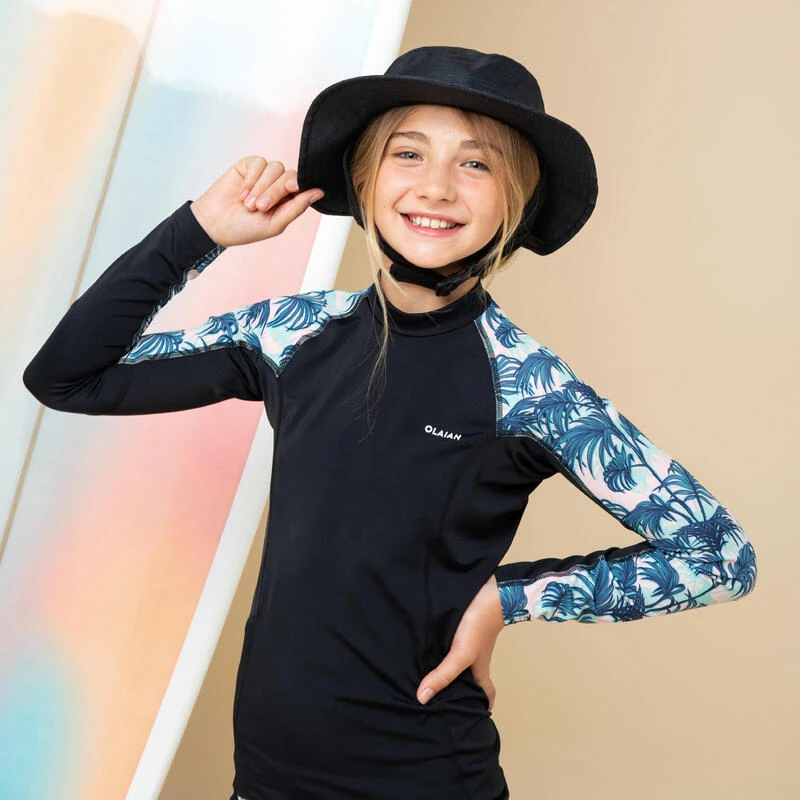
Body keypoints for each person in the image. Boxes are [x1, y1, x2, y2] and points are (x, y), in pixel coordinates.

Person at [23, 46, 757, 800]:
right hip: (266, 783)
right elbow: (67, 375)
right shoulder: (292, 334)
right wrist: (198, 231)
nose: (435, 186)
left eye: (476, 163)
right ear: (365, 176)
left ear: (515, 199)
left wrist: (508, 598)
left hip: (426, 779)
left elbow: (721, 556)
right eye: (408, 153)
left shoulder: (528, 385)